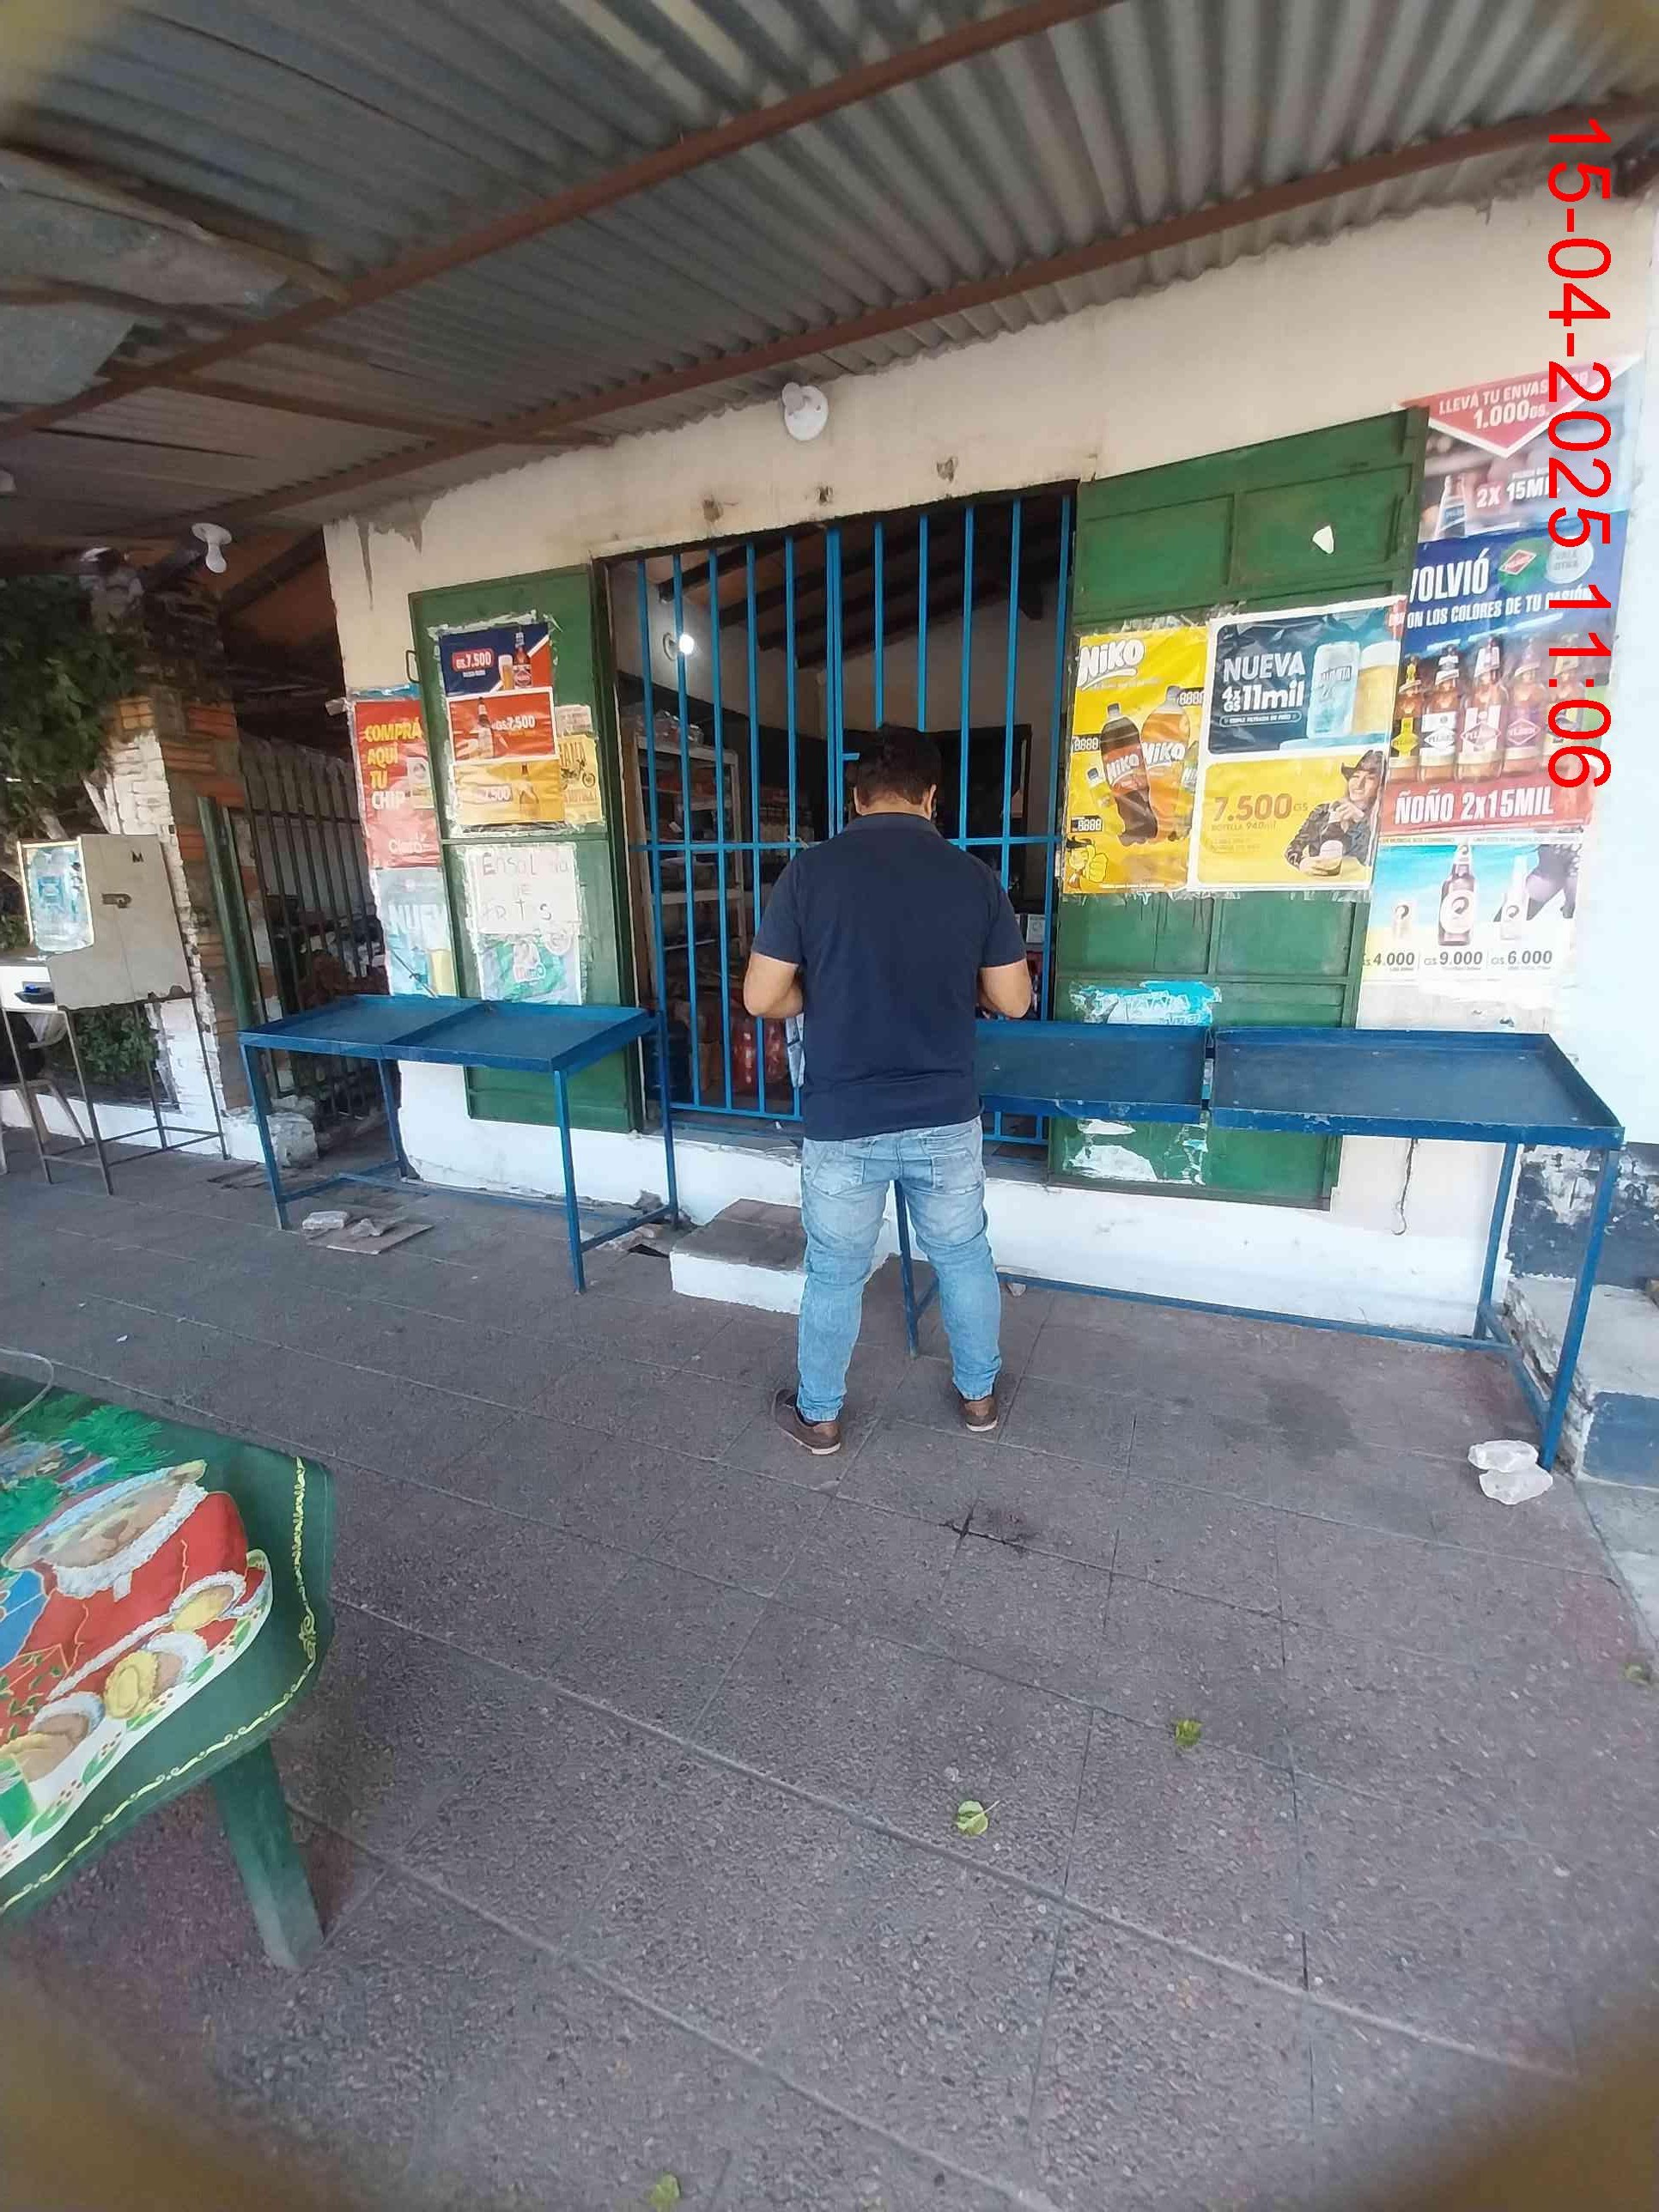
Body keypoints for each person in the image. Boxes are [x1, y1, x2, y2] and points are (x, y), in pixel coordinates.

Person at [743, 727, 1031, 1455]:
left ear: (855, 797)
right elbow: (1014, 1000)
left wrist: (815, 994)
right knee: (962, 1256)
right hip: (944, 1116)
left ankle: (821, 1416)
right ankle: (979, 1397)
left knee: (835, 1274)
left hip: (845, 1118)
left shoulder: (809, 874)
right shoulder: (974, 877)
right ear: (933, 797)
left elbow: (761, 997)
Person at [1284, 749, 1384, 875]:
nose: (1359, 784)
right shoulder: (1324, 811)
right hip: (1319, 884)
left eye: (1370, 778)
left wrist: (1361, 820)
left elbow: (1369, 860)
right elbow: (1293, 848)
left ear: (1380, 786)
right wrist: (1301, 862)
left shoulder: (1383, 819)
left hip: (1355, 885)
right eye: (1355, 776)